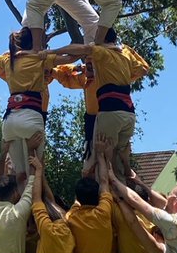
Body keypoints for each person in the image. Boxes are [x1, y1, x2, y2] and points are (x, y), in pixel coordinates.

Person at [45, 31, 149, 173]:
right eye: (88, 65)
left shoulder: (108, 70)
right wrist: (76, 67)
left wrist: (127, 50)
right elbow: (61, 75)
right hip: (98, 120)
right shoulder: (86, 80)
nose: (91, 68)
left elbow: (143, 69)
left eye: (93, 64)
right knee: (95, 166)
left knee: (108, 163)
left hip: (109, 114)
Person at [0, 29, 61, 180]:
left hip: (10, 120)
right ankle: (34, 195)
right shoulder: (39, 59)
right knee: (36, 169)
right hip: (32, 116)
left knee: (19, 173)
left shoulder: (9, 61)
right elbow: (71, 57)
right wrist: (48, 53)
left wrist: (10, 53)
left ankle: (11, 194)